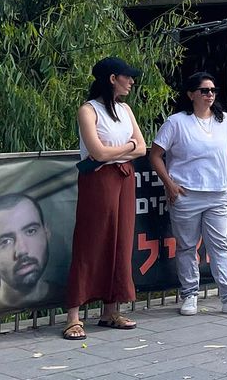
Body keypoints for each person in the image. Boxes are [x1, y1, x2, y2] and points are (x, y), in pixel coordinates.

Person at [149, 72, 227, 315]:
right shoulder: (176, 122)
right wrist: (170, 184)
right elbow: (155, 155)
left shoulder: (224, 120)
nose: (210, 95)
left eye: (213, 90)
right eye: (204, 90)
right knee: (187, 246)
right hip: (186, 193)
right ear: (191, 94)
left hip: (217, 192)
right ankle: (189, 295)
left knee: (219, 244)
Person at [62, 57, 147, 341]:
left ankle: (111, 309)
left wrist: (120, 151)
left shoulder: (125, 109)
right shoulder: (88, 110)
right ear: (113, 79)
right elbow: (97, 153)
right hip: (98, 180)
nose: (131, 81)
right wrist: (127, 148)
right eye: (127, 76)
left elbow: (143, 147)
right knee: (90, 241)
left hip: (123, 178)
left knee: (121, 240)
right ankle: (73, 316)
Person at [0, 194, 59, 318]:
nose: (21, 250)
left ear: (46, 233)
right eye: (5, 241)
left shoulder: (68, 294)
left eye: (31, 231)